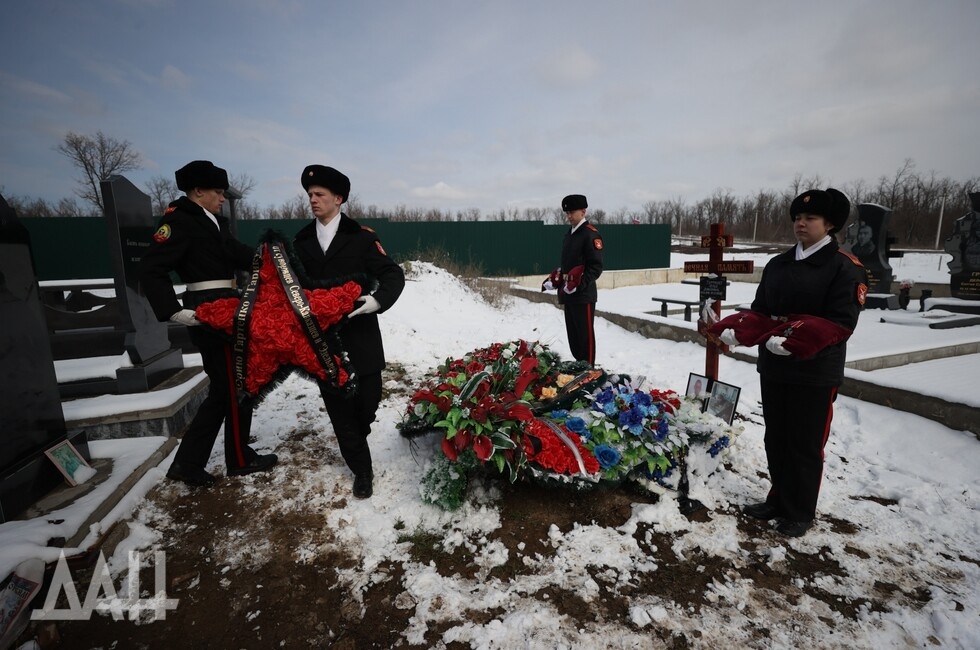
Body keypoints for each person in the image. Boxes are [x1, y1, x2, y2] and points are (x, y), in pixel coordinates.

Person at [727, 187, 867, 537]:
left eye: (810, 218)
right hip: (774, 365)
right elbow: (761, 311)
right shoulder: (779, 263)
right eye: (798, 218)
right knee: (776, 437)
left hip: (814, 370)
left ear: (830, 224)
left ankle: (800, 510)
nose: (801, 224)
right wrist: (740, 331)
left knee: (805, 443)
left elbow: (840, 322)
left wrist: (798, 341)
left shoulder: (843, 268)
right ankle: (778, 497)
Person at [140, 160, 278, 487]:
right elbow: (150, 269)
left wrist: (274, 258)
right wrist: (173, 311)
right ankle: (232, 460)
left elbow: (237, 253)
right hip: (208, 313)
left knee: (229, 388)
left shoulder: (212, 221)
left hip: (227, 309)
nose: (222, 198)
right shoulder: (180, 221)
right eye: (217, 192)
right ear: (198, 191)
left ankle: (198, 462)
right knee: (232, 387)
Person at [293, 165, 405, 499]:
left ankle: (356, 435)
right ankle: (362, 469)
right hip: (322, 340)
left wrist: (376, 301)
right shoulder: (300, 242)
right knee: (339, 407)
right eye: (310, 195)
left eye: (320, 195)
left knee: (368, 400)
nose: (312, 200)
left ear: (338, 198)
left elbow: (393, 275)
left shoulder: (362, 238)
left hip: (361, 334)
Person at [556, 194, 603, 366]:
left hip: (583, 295)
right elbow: (569, 265)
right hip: (569, 293)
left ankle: (589, 370)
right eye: (566, 213)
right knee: (574, 336)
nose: (568, 216)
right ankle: (579, 366)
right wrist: (557, 277)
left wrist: (579, 286)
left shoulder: (590, 235)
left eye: (572, 212)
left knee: (585, 337)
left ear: (583, 211)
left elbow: (595, 267)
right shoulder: (570, 234)